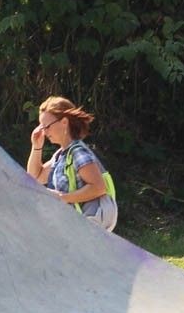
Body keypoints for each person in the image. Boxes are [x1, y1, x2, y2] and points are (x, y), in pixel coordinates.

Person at [26, 96, 118, 232]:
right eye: (42, 127)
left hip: (88, 227)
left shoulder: (77, 153)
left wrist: (62, 198)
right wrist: (36, 146)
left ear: (64, 122)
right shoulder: (61, 155)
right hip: (77, 228)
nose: (44, 132)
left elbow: (99, 187)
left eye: (47, 126)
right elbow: (35, 177)